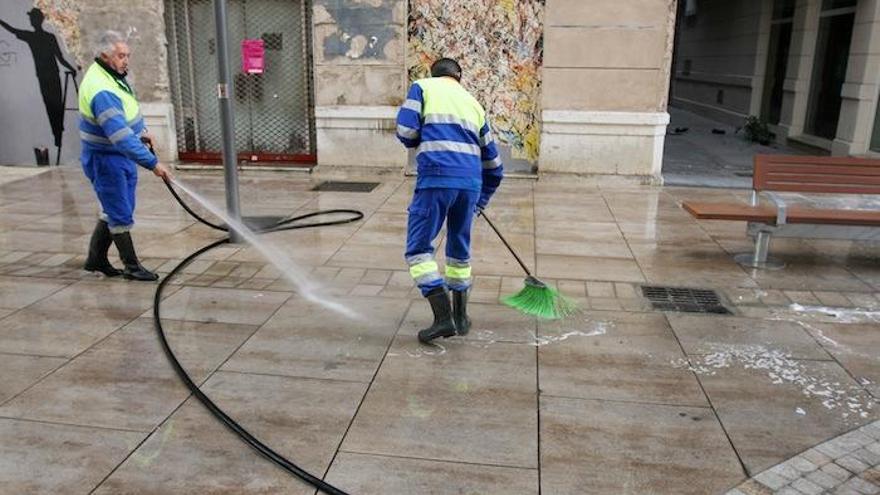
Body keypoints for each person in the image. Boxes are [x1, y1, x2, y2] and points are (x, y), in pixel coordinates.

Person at [396, 58, 504, 344]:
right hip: (470, 184)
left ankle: (442, 318)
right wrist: (480, 201)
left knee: (418, 250)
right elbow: (494, 164)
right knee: (459, 250)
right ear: (459, 76)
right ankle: (460, 317)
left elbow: (406, 132)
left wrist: (421, 137)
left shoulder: (422, 87)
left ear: (435, 74)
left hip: (436, 178)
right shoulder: (474, 103)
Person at [79, 30, 172, 281]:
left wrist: (142, 132)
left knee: (117, 208)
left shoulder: (112, 76)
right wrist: (153, 163)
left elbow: (126, 114)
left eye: (127, 55)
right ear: (105, 55)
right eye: (121, 56)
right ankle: (131, 266)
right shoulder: (102, 89)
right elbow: (118, 134)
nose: (126, 60)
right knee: (119, 211)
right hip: (106, 159)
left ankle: (95, 260)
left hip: (118, 156)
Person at [0, 8, 78, 151]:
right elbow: (12, 29)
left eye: (32, 18)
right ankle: (57, 133)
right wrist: (70, 68)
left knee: (53, 106)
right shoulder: (39, 37)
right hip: (47, 76)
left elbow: (59, 58)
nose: (31, 20)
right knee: (53, 105)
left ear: (37, 20)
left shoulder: (40, 37)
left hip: (49, 76)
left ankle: (58, 133)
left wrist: (71, 68)